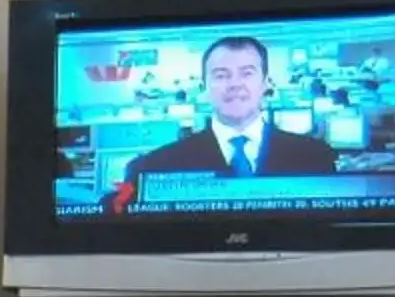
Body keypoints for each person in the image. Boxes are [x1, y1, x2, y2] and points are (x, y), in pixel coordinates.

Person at [121, 35, 339, 186]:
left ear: (265, 84)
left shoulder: (316, 157)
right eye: (221, 75)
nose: (235, 84)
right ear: (204, 87)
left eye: (247, 73)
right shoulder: (157, 165)